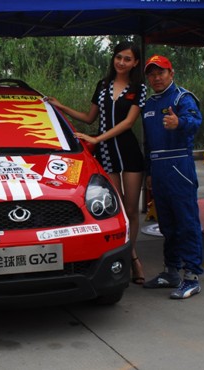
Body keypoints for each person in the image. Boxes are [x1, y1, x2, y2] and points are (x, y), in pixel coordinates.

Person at [46, 41, 147, 284]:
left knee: (131, 210)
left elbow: (128, 123)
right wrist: (61, 107)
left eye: (127, 59)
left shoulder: (139, 88)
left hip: (129, 151)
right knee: (119, 208)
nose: (121, 62)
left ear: (135, 63)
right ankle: (131, 258)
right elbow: (89, 117)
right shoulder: (102, 85)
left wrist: (97, 138)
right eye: (118, 57)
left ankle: (129, 256)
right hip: (106, 152)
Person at [141, 55, 203, 299]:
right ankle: (171, 272)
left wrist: (180, 122)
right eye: (152, 74)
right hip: (157, 168)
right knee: (167, 224)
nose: (156, 78)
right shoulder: (149, 104)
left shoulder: (182, 98)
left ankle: (192, 276)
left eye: (161, 72)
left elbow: (195, 121)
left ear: (171, 73)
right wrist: (148, 172)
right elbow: (147, 143)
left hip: (179, 165)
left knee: (186, 222)